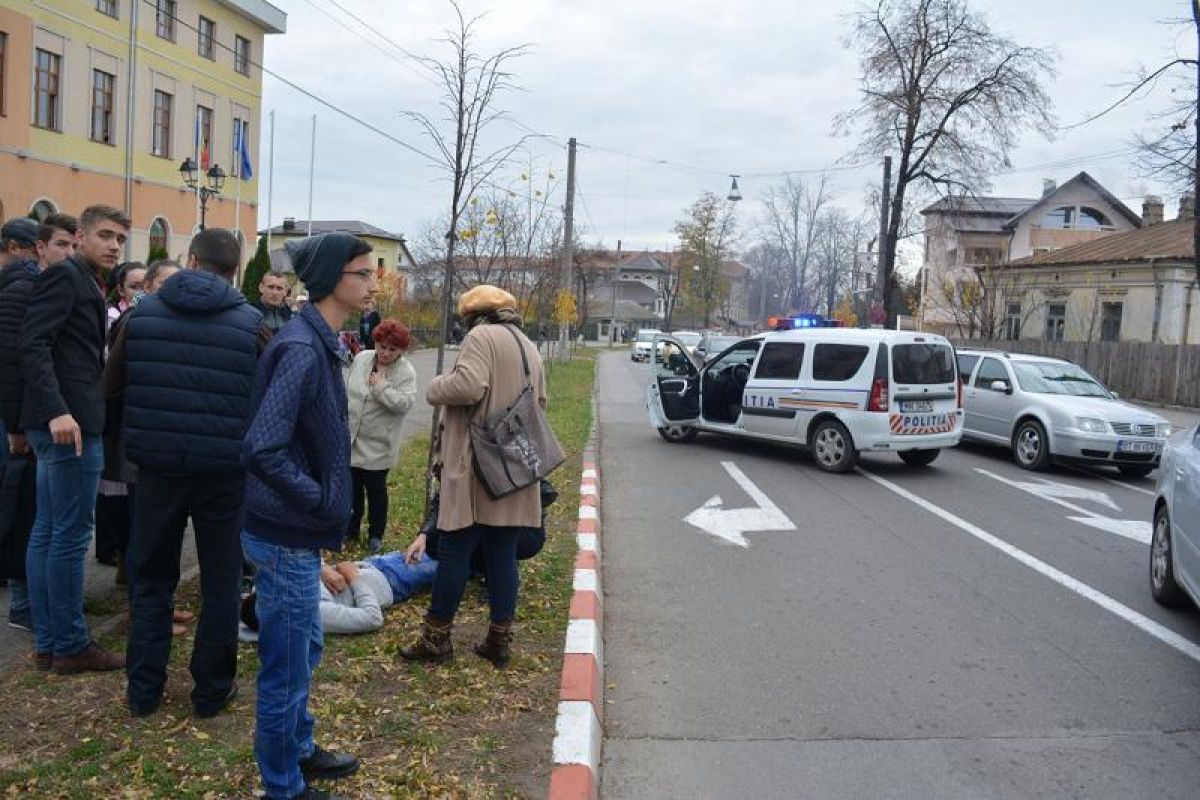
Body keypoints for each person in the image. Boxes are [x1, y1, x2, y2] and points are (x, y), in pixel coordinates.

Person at [241, 232, 376, 800]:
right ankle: (283, 787)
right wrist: (319, 500)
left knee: (305, 649)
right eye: (363, 273)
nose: (373, 284)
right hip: (284, 532)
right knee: (286, 667)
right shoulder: (300, 348)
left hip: (296, 532)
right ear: (329, 279)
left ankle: (297, 747)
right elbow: (262, 447)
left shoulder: (322, 342)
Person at [116, 228, 260, 717]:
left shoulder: (142, 316)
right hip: (224, 470)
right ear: (235, 270)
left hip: (158, 466)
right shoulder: (251, 324)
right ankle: (211, 690)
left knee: (152, 577)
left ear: (191, 261)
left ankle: (143, 689)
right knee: (221, 580)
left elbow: (112, 384)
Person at [400, 285, 547, 670]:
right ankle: (499, 640)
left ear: (473, 316)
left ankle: (436, 640)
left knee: (454, 552)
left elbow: (468, 386)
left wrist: (435, 386)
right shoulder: (527, 345)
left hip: (474, 466)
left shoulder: (481, 337)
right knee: (502, 554)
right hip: (513, 465)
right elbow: (539, 404)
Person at [19, 204, 129, 675]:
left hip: (68, 420)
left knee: (49, 530)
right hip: (69, 424)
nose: (114, 245)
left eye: (120, 239)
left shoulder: (86, 280)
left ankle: (51, 643)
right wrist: (58, 410)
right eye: (105, 235)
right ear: (80, 236)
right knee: (67, 535)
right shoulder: (67, 277)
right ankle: (69, 644)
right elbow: (32, 343)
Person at [0, 218, 45, 634]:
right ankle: (22, 601)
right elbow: (13, 360)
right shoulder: (20, 287)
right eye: (38, 248)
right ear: (15, 247)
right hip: (15, 415)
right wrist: (16, 424)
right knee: (20, 504)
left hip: (14, 412)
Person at [345, 319, 417, 554]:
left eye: (392, 349)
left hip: (379, 444)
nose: (385, 353)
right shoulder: (362, 358)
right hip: (352, 438)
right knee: (352, 490)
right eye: (381, 346)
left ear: (401, 350)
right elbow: (349, 391)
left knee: (376, 491)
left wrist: (381, 387)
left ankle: (376, 534)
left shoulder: (406, 372)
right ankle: (350, 530)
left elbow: (404, 403)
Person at [241, 552, 437, 636]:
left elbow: (292, 556)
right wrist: (354, 579)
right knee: (448, 560)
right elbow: (372, 618)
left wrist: (322, 568)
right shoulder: (311, 613)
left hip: (374, 563)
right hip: (391, 581)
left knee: (437, 545)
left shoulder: (275, 586)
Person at [254, 270, 293, 336]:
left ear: (285, 292)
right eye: (270, 287)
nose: (275, 293)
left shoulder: (291, 316)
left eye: (279, 288)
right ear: (261, 288)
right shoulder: (252, 314)